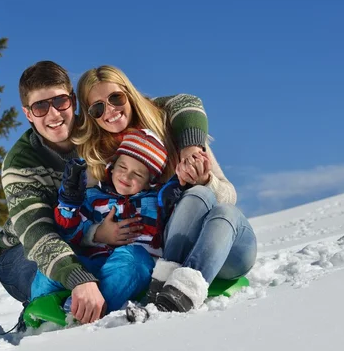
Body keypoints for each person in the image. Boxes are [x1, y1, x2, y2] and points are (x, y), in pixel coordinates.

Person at [0, 61, 212, 324]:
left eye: (60, 102)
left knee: (132, 263)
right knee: (50, 274)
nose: (53, 115)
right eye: (40, 106)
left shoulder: (96, 122)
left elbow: (182, 103)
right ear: (28, 114)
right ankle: (48, 315)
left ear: (72, 101)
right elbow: (38, 234)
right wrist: (81, 272)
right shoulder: (21, 162)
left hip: (90, 239)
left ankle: (92, 304)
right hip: (23, 249)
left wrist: (191, 148)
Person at [73, 65, 258, 313]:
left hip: (221, 247)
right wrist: (96, 233)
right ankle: (174, 293)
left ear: (129, 93)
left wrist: (203, 179)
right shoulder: (98, 159)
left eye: (116, 98)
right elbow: (80, 214)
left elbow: (228, 194)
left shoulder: (175, 132)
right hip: (166, 248)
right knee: (200, 196)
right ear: (90, 115)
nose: (110, 111)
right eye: (98, 108)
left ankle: (174, 285)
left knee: (209, 201)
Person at [29, 129, 170, 314]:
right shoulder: (94, 197)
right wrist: (69, 203)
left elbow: (177, 223)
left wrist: (177, 191)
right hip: (95, 265)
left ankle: (86, 311)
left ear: (149, 182)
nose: (126, 177)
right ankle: (35, 310)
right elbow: (71, 233)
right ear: (112, 166)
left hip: (131, 269)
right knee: (54, 267)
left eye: (138, 174)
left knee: (135, 259)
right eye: (123, 167)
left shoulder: (156, 201)